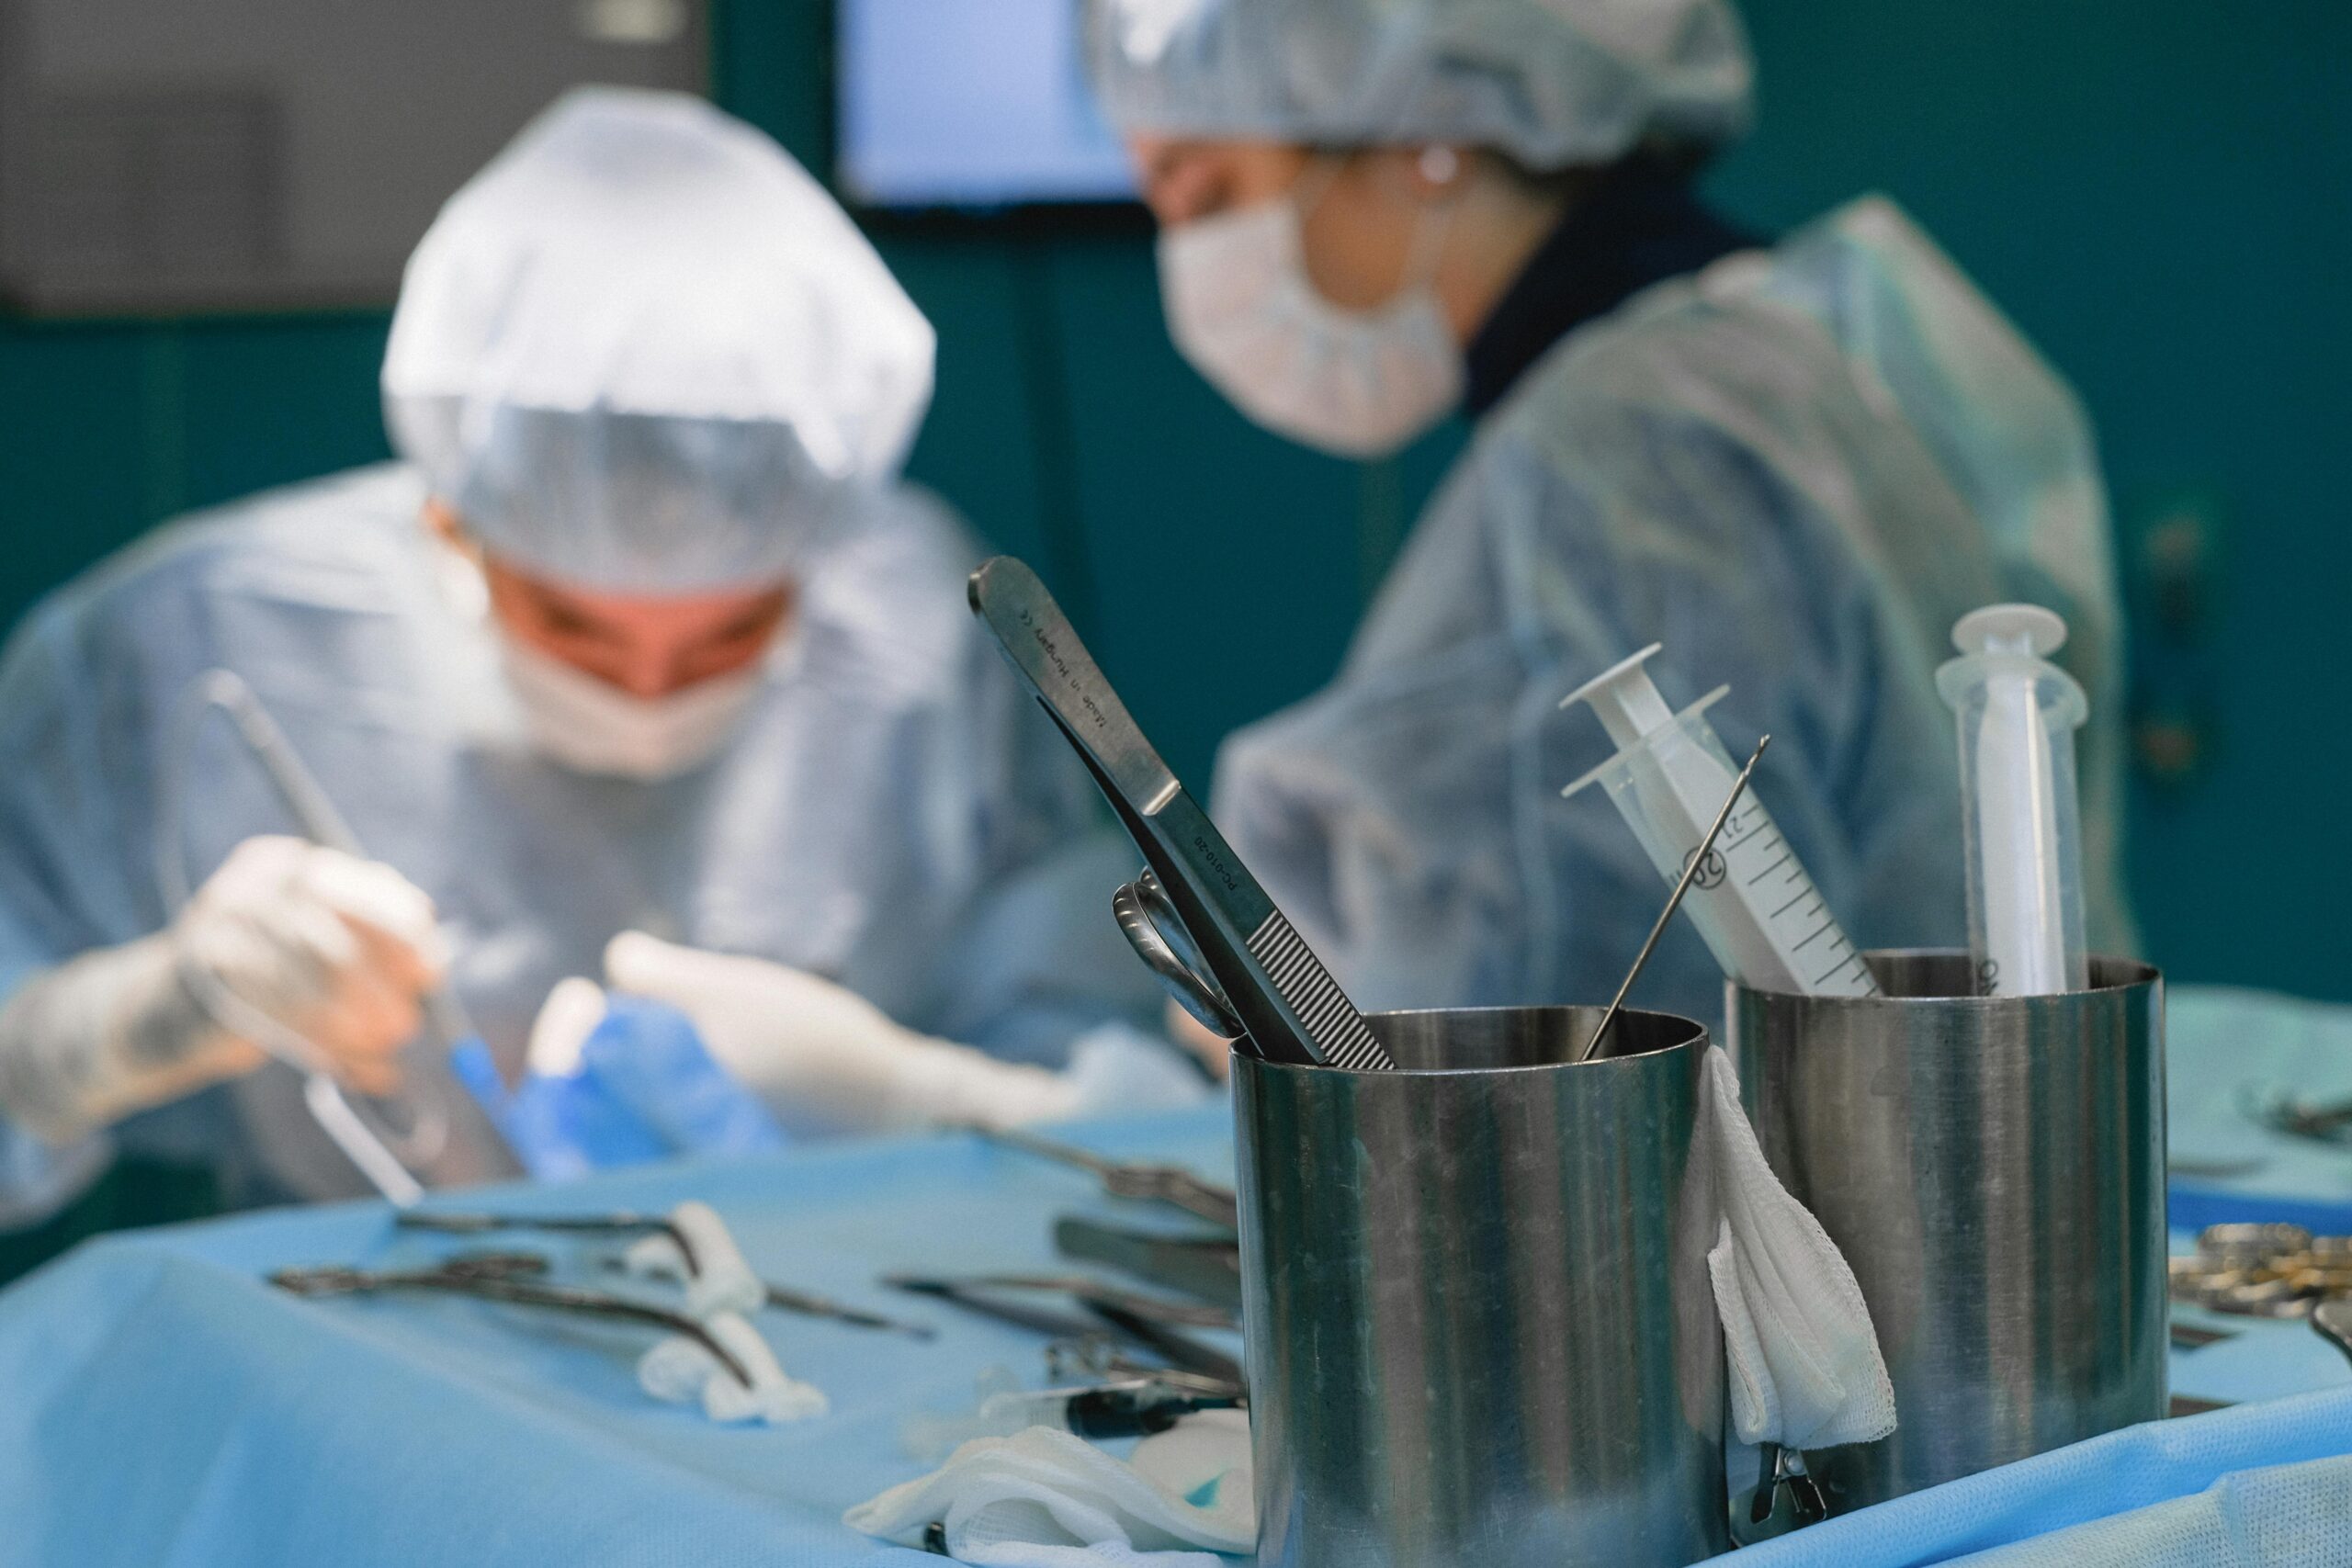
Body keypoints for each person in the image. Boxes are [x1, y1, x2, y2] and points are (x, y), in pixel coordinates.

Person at [0, 89, 1182, 1226]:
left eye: (732, 634)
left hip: (866, 1316)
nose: (651, 693)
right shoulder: (192, 638)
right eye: (574, 629)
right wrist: (126, 1022)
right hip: (383, 1335)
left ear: (819, 558)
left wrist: (915, 1099)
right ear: (448, 522)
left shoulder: (920, 620)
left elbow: (1079, 1056)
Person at [1083, 0, 2137, 1021]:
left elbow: (1580, 1032)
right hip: (1967, 1132)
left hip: (1797, 1182)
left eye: (1203, 193)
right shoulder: (1846, 328)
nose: (1186, 257)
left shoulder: (1629, 450)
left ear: (1429, 142)